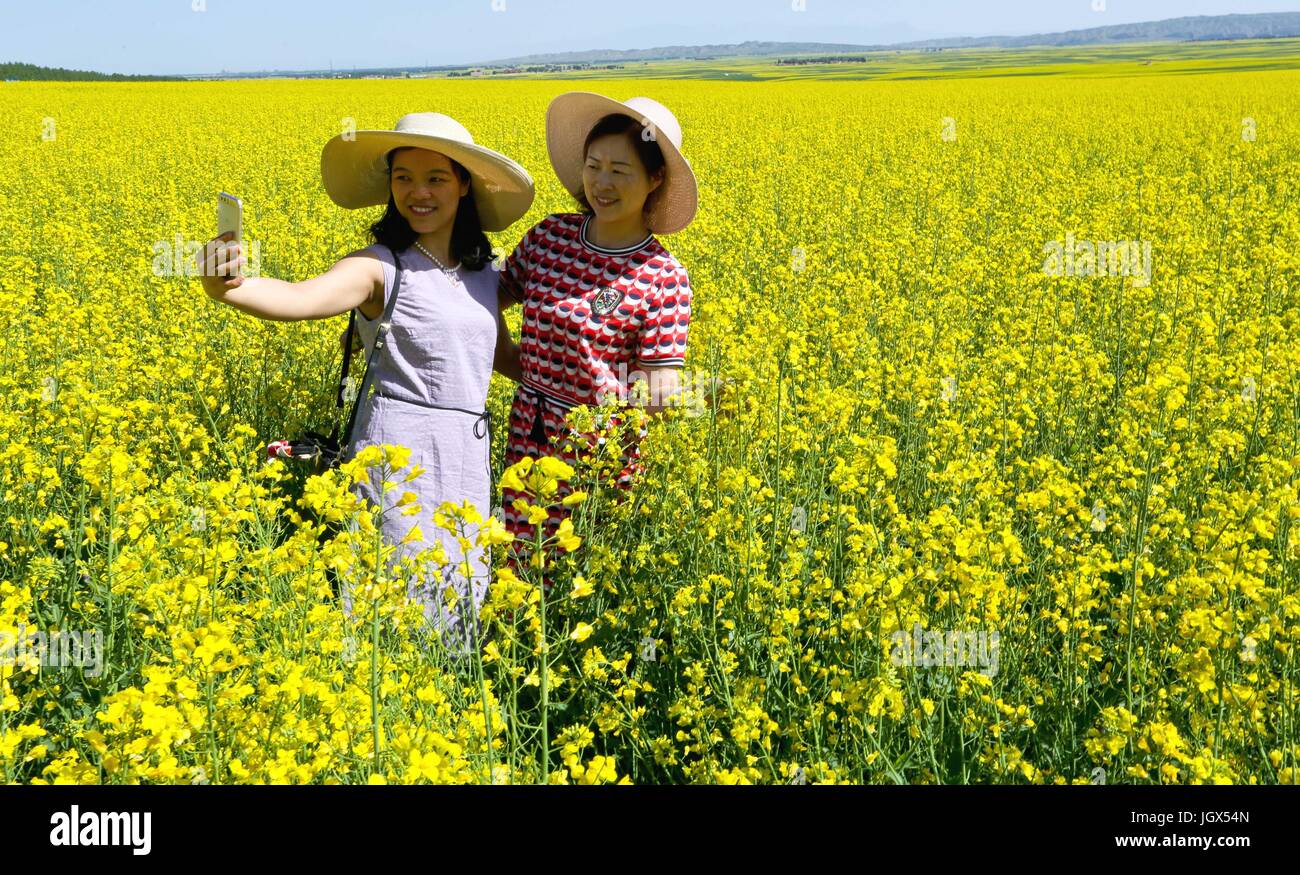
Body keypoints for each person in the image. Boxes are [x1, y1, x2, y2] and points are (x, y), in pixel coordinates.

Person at [198, 112, 534, 658]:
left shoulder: (482, 274)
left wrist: (596, 390)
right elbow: (303, 299)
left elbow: (500, 357)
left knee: (461, 591)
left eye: (435, 178)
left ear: (464, 184)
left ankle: (450, 711)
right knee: (392, 589)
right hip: (397, 449)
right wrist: (227, 287)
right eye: (403, 178)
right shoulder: (378, 266)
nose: (417, 193)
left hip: (467, 453)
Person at [496, 93, 699, 590]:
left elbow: (656, 392)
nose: (601, 183)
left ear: (655, 181)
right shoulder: (549, 237)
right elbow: (488, 298)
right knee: (515, 569)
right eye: (594, 166)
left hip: (598, 454)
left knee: (579, 584)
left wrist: (691, 399)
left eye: (620, 170)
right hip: (530, 429)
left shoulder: (663, 276)